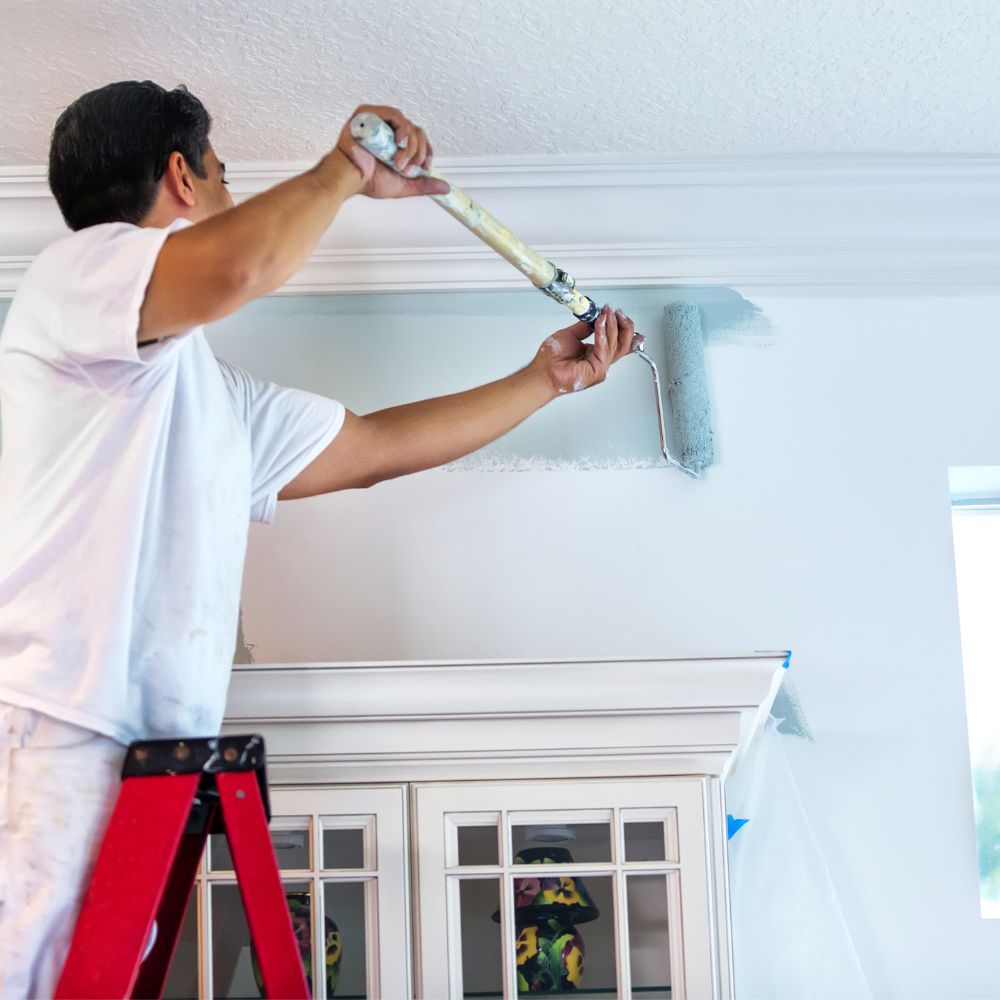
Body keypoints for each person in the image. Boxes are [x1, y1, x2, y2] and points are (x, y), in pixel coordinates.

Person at [0, 81, 640, 996]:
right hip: (55, 724)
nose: (230, 197)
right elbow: (233, 269)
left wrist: (546, 381)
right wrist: (344, 170)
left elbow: (375, 447)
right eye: (223, 178)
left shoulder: (209, 400)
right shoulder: (78, 277)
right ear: (181, 178)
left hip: (149, 763)